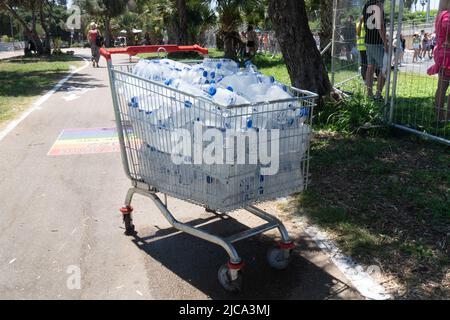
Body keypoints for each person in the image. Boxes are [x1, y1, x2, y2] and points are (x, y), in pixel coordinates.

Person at [427, 0, 450, 122]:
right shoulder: (448, 17)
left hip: (442, 54)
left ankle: (439, 117)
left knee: (441, 87)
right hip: (447, 54)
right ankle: (447, 117)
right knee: (442, 88)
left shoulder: (441, 15)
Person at [363, 0, 388, 100]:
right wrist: (386, 42)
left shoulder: (367, 4)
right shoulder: (378, 3)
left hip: (368, 40)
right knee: (385, 68)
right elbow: (380, 25)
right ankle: (378, 95)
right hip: (377, 42)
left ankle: (369, 95)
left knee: (370, 67)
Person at [356, 16, 368, 81]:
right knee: (366, 63)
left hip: (360, 46)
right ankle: (365, 78)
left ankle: (364, 76)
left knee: (363, 63)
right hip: (366, 46)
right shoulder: (366, 24)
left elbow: (357, 34)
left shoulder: (358, 24)